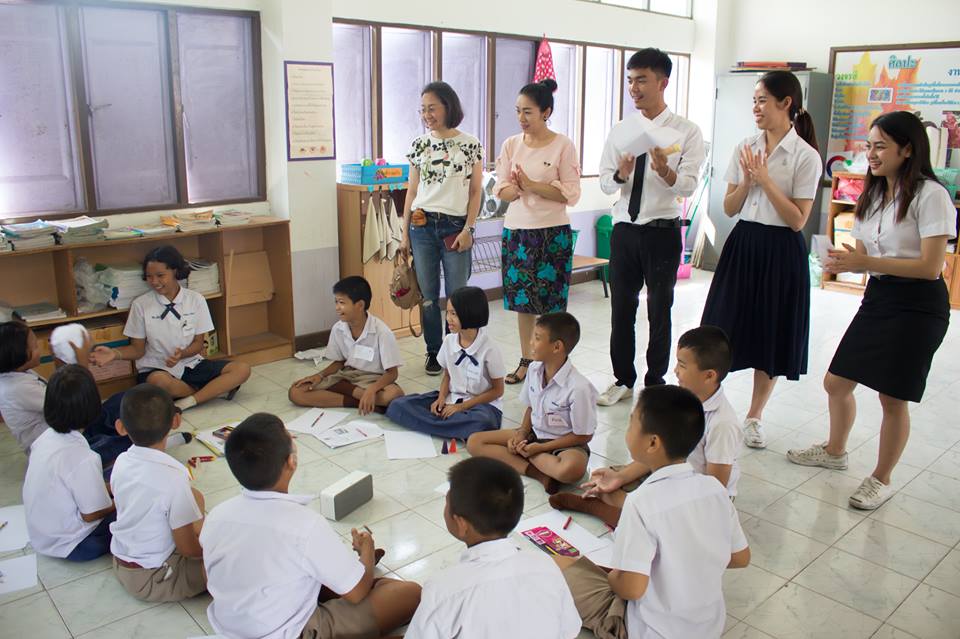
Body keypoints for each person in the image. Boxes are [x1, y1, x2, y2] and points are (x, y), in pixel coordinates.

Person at [787, 111, 956, 510]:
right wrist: (843, 260)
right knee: (836, 382)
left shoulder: (931, 195)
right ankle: (835, 451)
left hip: (919, 306)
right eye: (869, 146)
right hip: (879, 298)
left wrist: (865, 263)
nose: (872, 154)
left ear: (907, 149)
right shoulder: (873, 194)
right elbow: (863, 254)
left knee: (892, 397)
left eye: (881, 146)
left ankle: (882, 478)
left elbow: (930, 267)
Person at [201, 413, 421, 639]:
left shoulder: (217, 515)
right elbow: (357, 593)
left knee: (319, 575)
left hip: (232, 627)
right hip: (292, 632)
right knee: (410, 594)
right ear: (291, 462)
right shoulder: (304, 524)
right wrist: (367, 552)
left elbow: (211, 579)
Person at [554, 385, 750, 639]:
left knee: (558, 565)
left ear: (653, 442)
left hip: (649, 630)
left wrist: (614, 576)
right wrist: (686, 566)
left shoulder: (641, 502)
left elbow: (632, 590)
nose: (627, 429)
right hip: (708, 627)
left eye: (631, 422)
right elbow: (740, 557)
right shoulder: (715, 490)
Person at [700, 70, 822, 449]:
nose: (755, 107)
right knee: (719, 325)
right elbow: (729, 206)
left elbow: (798, 220)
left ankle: (754, 417)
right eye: (753, 100)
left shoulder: (805, 156)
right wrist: (748, 182)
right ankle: (704, 405)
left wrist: (766, 180)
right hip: (744, 244)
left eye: (762, 100)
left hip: (781, 250)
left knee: (769, 332)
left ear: (786, 103)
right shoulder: (745, 146)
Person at [596, 48, 706, 406]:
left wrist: (665, 171)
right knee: (621, 310)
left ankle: (655, 381)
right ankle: (622, 379)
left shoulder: (686, 132)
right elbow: (605, 183)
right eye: (630, 80)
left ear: (663, 82)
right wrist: (620, 174)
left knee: (660, 310)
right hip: (625, 230)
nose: (634, 88)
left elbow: (687, 186)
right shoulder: (621, 131)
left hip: (662, 231)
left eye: (641, 80)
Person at [550, 326, 742, 527]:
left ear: (709, 375)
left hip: (698, 496)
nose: (675, 370)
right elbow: (660, 453)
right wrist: (621, 476)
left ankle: (602, 509)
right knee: (607, 478)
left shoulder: (722, 424)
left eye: (682, 365)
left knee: (653, 513)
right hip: (672, 474)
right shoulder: (682, 400)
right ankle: (620, 505)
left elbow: (714, 490)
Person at [406, 457, 581, 638]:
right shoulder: (545, 565)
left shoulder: (443, 588)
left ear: (461, 524)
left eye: (447, 502)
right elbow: (569, 629)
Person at [494, 78, 582, 385]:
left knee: (552, 305)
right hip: (517, 232)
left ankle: (553, 364)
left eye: (528, 112)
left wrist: (532, 185)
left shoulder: (563, 145)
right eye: (518, 111)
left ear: (546, 112)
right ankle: (527, 360)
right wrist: (518, 188)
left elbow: (571, 194)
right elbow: (501, 189)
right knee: (524, 303)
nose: (521, 118)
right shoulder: (511, 144)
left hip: (552, 233)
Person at [90, 245, 251, 412]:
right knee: (159, 382)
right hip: (157, 368)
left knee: (242, 369)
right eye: (149, 276)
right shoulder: (141, 304)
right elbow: (137, 350)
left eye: (160, 275)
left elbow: (198, 344)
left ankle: (187, 401)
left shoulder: (196, 299)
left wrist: (183, 354)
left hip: (190, 364)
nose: (154, 282)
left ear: (175, 271)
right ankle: (209, 391)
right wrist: (114, 354)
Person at [400, 81, 484, 376]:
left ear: (448, 107)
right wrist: (404, 235)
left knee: (457, 295)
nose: (426, 114)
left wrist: (469, 229)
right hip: (421, 225)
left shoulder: (470, 144)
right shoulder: (419, 144)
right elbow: (411, 192)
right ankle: (434, 351)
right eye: (422, 109)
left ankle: (457, 349)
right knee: (428, 296)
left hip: (455, 227)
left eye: (432, 108)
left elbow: (476, 192)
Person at [467, 312, 597, 494]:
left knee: (571, 470)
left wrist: (541, 448)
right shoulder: (534, 369)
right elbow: (531, 407)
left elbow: (584, 436)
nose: (530, 343)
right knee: (474, 442)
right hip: (533, 434)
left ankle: (526, 456)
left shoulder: (579, 387)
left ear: (557, 347)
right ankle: (539, 473)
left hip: (564, 444)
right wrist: (522, 433)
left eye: (537, 338)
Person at [0, 320, 149, 463]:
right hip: (61, 451)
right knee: (129, 440)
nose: (40, 347)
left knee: (124, 399)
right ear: (20, 354)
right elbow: (80, 407)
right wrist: (82, 365)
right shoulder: (17, 389)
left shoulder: (19, 374)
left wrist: (60, 360)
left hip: (69, 430)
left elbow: (59, 390)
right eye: (35, 347)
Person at [110, 384, 207, 602]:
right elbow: (188, 549)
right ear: (176, 421)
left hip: (122, 562)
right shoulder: (174, 476)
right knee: (230, 562)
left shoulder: (122, 461)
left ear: (121, 427)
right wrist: (211, 550)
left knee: (195, 497)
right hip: (153, 577)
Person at [22, 365, 115, 561]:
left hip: (44, 537)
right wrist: (123, 498)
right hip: (77, 545)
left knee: (114, 478)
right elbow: (92, 514)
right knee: (140, 506)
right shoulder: (82, 458)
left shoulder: (45, 438)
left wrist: (111, 487)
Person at [386, 286, 505, 439]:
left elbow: (498, 390)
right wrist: (441, 398)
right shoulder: (449, 341)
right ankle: (451, 427)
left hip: (482, 406)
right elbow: (447, 376)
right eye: (447, 312)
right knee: (398, 406)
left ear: (470, 313)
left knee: (483, 423)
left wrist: (462, 407)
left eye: (453, 314)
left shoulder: (490, 348)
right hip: (452, 397)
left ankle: (436, 424)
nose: (448, 318)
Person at [289, 276, 404, 414]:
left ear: (360, 305)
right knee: (296, 392)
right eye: (336, 302)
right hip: (346, 375)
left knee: (394, 394)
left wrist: (371, 390)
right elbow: (340, 362)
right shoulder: (338, 328)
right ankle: (364, 401)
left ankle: (350, 394)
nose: (337, 308)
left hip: (373, 378)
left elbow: (392, 373)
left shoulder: (382, 332)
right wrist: (319, 375)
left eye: (342, 303)